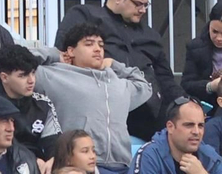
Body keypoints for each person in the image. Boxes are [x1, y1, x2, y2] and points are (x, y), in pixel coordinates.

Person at [53, 0, 177, 141]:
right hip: (101, 107)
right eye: (138, 4)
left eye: (146, 5)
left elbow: (166, 78)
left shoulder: (150, 35)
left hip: (148, 113)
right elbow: (62, 54)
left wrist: (184, 102)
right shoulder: (85, 16)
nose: (143, 10)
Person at [34, 19, 153, 174]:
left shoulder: (116, 81)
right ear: (71, 51)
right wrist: (56, 55)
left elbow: (144, 86)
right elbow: (18, 62)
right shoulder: (54, 75)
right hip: (79, 166)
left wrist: (114, 65)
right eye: (89, 44)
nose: (97, 49)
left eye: (101, 45)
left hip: (123, 165)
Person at [0, 46, 59, 160]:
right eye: (23, 75)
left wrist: (54, 160)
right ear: (4, 77)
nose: (31, 80)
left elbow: (53, 141)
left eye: (33, 73)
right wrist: (31, 161)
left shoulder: (43, 104)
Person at [133, 98, 222, 174]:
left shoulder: (210, 158)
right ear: (170, 127)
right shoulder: (150, 156)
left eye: (200, 126)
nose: (196, 132)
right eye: (189, 125)